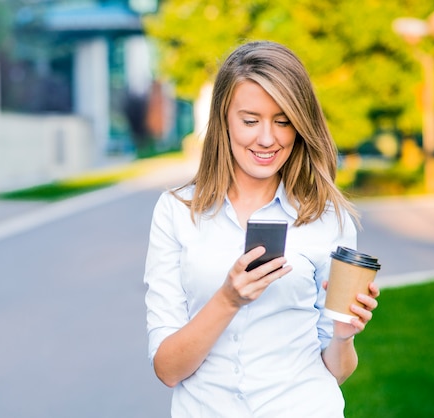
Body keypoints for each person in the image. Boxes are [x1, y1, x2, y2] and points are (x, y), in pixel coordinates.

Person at [143, 40, 380, 418]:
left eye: (283, 121)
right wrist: (228, 299)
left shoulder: (327, 218)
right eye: (250, 120)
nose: (268, 139)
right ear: (224, 119)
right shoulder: (176, 212)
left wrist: (344, 335)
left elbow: (335, 370)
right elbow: (168, 370)